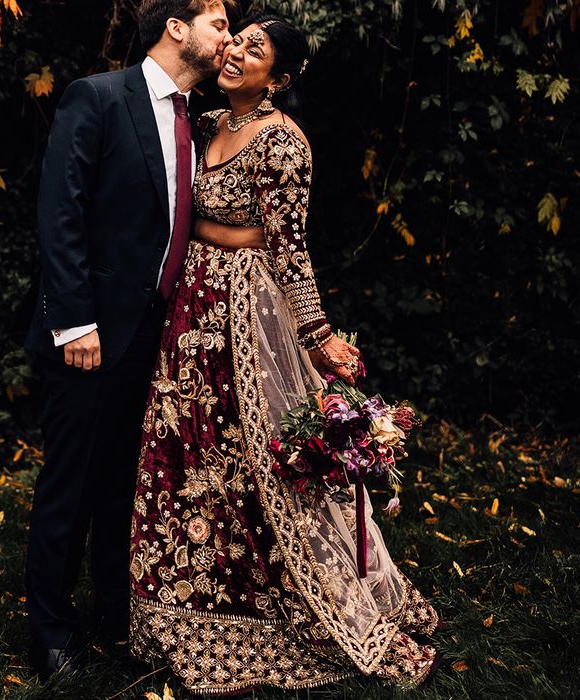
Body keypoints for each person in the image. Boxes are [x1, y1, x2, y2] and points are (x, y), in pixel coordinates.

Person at [129, 14, 443, 694]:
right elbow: (183, 214)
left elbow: (289, 250)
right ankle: (183, 607)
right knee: (188, 452)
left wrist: (320, 337)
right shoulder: (206, 121)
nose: (237, 50)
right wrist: (213, 235)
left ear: (282, 75)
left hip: (244, 317)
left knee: (254, 466)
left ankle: (273, 609)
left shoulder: (283, 143)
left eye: (255, 48)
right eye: (236, 39)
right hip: (188, 315)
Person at [23, 0, 233, 681]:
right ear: (177, 27)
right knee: (71, 484)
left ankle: (116, 613)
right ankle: (52, 629)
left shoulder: (196, 122)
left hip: (156, 339)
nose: (226, 38)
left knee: (125, 484)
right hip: (90, 335)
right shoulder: (100, 97)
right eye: (219, 23)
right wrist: (75, 322)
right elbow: (61, 209)